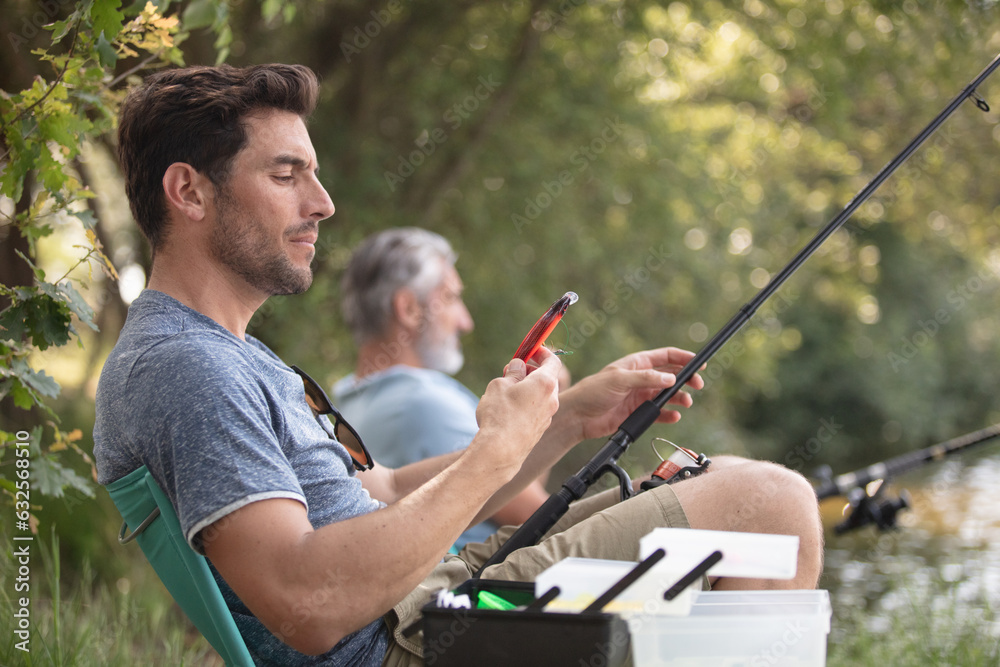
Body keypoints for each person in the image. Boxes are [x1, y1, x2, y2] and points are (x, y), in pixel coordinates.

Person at [93, 63, 823, 667]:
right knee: (771, 508)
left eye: (313, 175)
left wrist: (562, 421)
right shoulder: (188, 369)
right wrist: (496, 450)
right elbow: (308, 607)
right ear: (188, 191)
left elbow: (379, 494)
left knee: (728, 481)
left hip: (430, 604)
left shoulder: (231, 354)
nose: (323, 202)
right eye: (287, 175)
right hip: (414, 638)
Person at [334, 227, 553, 549]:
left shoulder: (347, 400)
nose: (465, 321)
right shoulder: (424, 401)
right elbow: (542, 516)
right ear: (409, 309)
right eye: (450, 298)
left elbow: (520, 484)